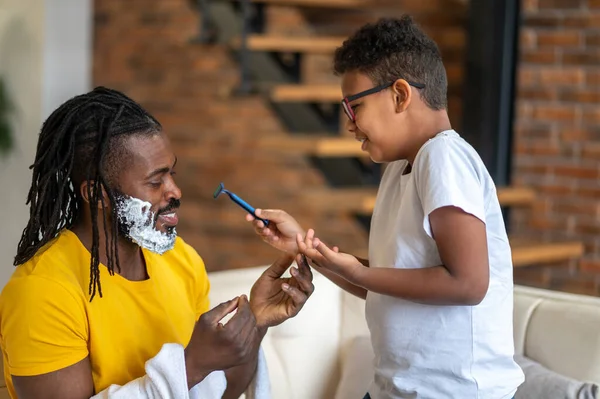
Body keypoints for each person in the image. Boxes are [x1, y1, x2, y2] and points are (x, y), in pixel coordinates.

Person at [247, 16, 524, 399]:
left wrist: (359, 274)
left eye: (353, 106)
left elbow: (468, 283)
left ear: (399, 95)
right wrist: (307, 249)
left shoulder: (443, 157)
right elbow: (391, 284)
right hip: (397, 389)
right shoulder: (399, 169)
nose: (349, 124)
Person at [0, 87, 314, 399]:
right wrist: (190, 366)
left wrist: (256, 322)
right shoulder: (43, 291)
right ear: (97, 194)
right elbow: (191, 374)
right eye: (156, 181)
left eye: (171, 174)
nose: (175, 191)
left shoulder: (182, 260)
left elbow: (218, 392)